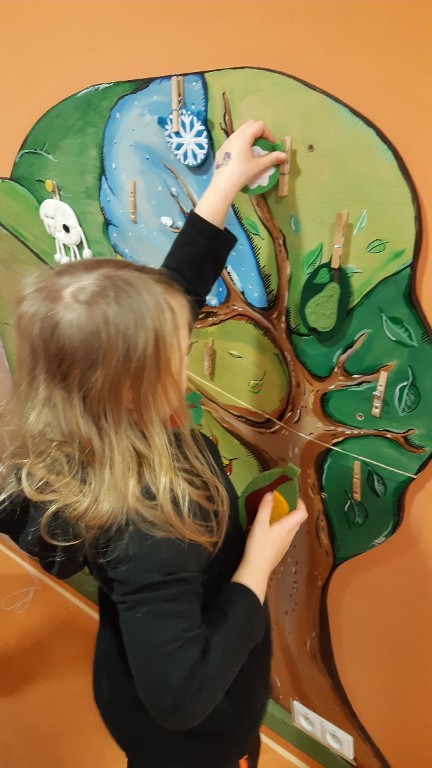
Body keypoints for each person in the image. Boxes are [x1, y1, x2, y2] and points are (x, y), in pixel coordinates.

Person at [0, 120, 308, 768]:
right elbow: (180, 696)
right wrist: (257, 565)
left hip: (131, 678)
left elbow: (174, 292)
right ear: (135, 383)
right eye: (179, 347)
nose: (187, 340)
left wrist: (224, 183)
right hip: (189, 740)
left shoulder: (94, 417)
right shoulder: (153, 524)